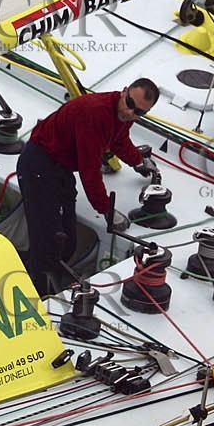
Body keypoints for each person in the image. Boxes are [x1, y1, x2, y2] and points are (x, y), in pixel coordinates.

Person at [17, 78, 157, 296]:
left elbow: (119, 140)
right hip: (38, 165)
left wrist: (137, 160)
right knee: (47, 244)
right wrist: (106, 211)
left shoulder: (121, 114)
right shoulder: (95, 114)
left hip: (59, 168)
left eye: (139, 112)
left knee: (67, 242)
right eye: (130, 103)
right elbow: (89, 170)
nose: (131, 113)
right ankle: (37, 296)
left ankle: (44, 280)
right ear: (124, 91)